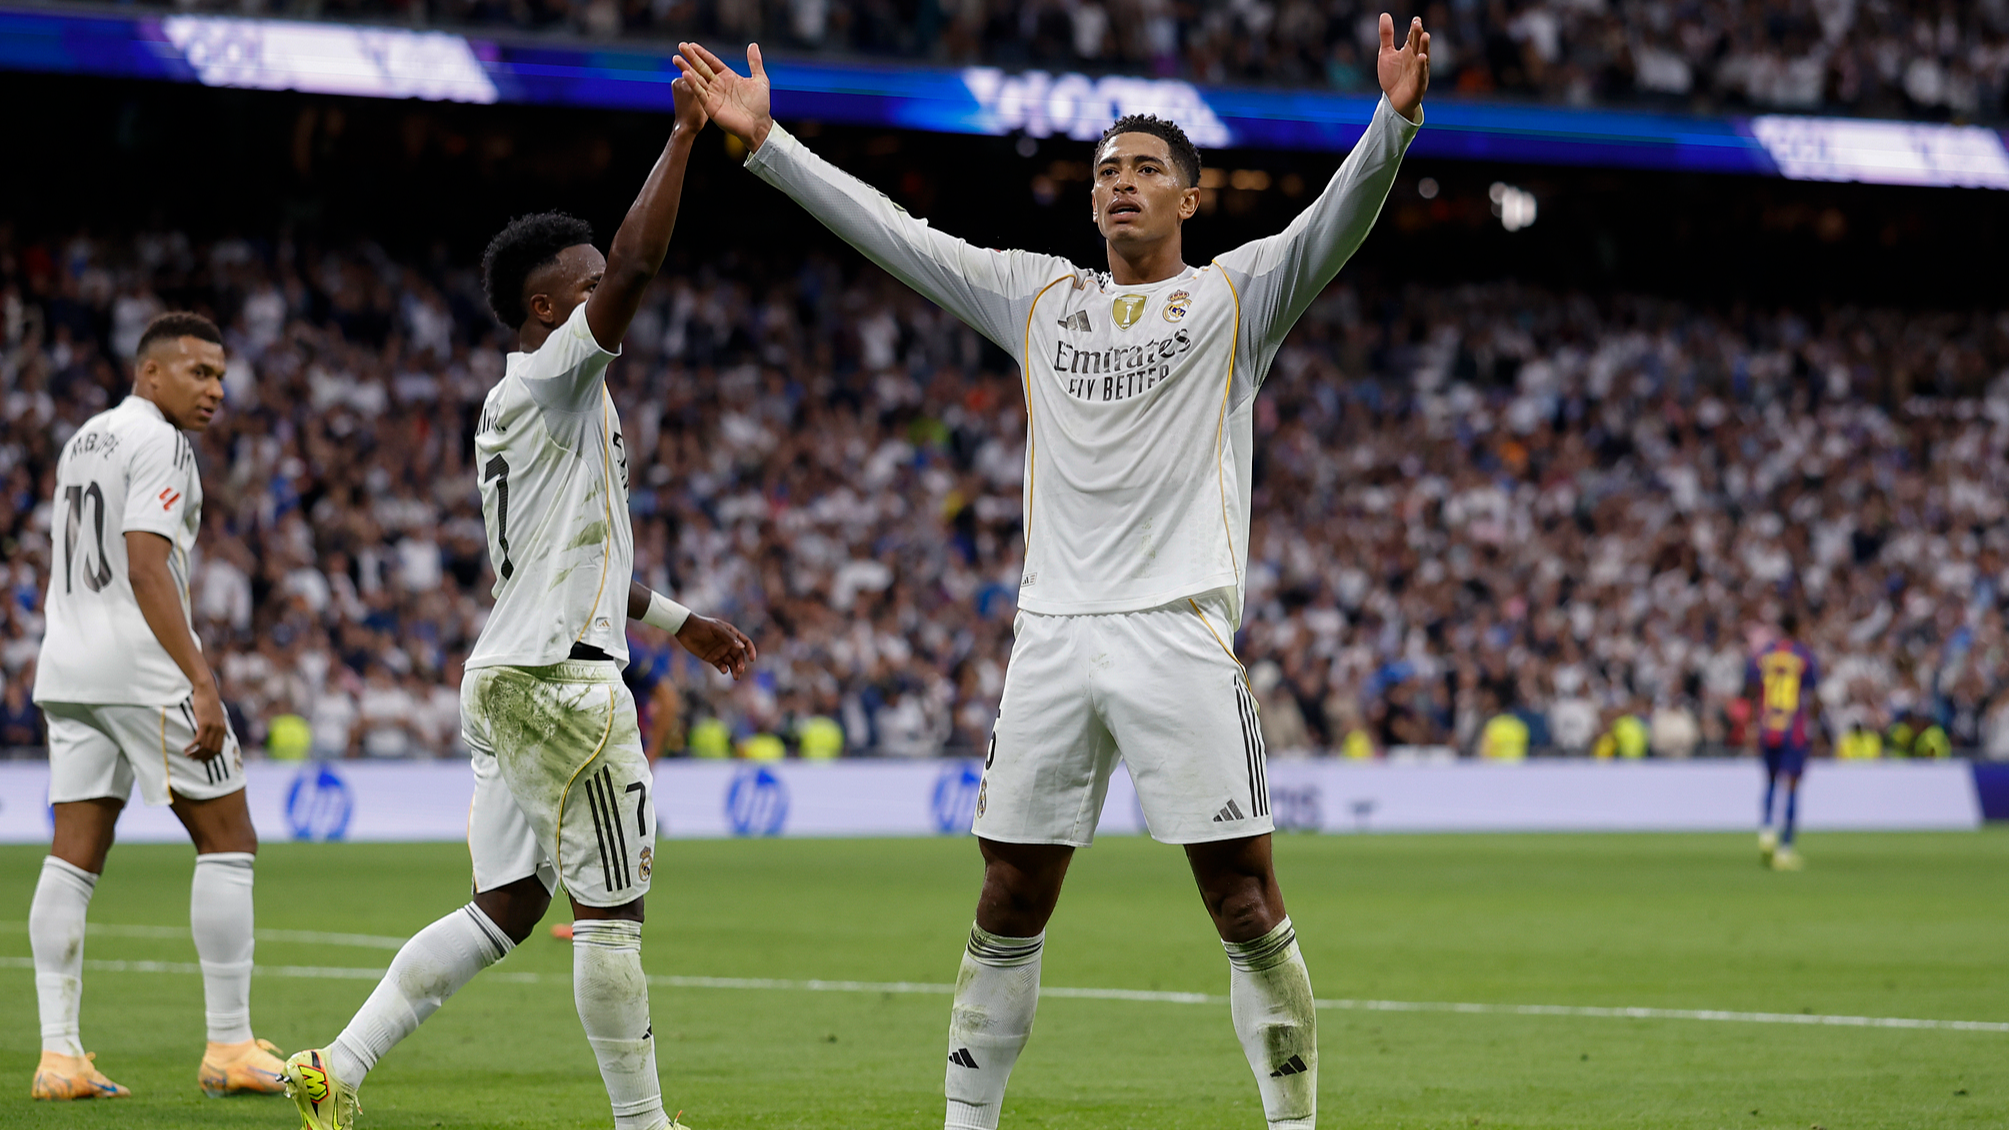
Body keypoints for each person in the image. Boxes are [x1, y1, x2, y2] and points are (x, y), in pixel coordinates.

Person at [676, 16, 1428, 1130]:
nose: (1119, 186)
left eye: (1144, 172)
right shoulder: (1038, 297)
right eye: (1104, 173)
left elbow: (1336, 222)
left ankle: (1293, 1122)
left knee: (1242, 895)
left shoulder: (1233, 298)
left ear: (1189, 198)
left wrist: (1392, 122)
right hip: (1053, 636)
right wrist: (767, 146)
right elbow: (898, 236)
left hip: (1175, 628)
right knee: (1008, 892)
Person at [281, 78, 757, 1130]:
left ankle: (336, 1062)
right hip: (565, 685)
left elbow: (583, 564)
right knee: (613, 916)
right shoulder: (553, 378)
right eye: (583, 288)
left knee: (507, 904)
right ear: (549, 308)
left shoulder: (536, 407)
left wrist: (684, 622)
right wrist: (681, 136)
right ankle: (643, 1126)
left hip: (509, 672)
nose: (608, 298)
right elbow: (636, 261)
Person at [28, 312, 290, 1100]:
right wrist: (200, 679)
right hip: (140, 669)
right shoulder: (163, 443)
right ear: (150, 374)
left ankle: (59, 1057)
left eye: (219, 375)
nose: (213, 389)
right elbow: (145, 567)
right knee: (229, 838)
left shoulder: (87, 438)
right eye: (196, 372)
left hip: (69, 666)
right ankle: (230, 1046)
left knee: (73, 856)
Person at [1746, 611, 1820, 871]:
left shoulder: (1763, 655)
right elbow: (1812, 692)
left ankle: (1766, 832)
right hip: (1793, 728)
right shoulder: (1804, 656)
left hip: (1768, 726)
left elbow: (1751, 687)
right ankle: (1785, 848)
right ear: (1798, 626)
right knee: (1792, 786)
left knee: (1769, 781)